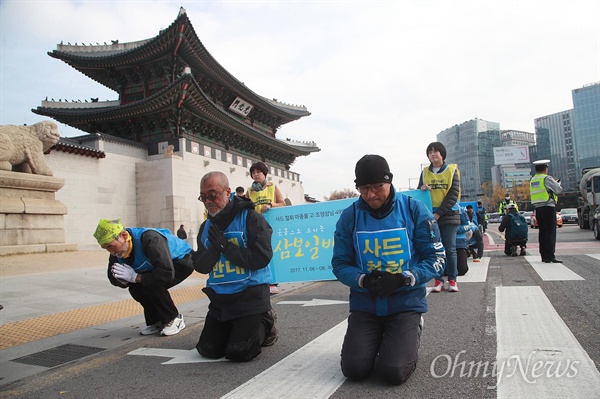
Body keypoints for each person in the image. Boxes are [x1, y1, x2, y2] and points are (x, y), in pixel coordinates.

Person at [332, 155, 445, 385]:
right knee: (353, 369)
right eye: (364, 188)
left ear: (389, 181)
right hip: (366, 305)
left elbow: (436, 258)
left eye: (377, 187)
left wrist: (403, 279)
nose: (371, 194)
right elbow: (340, 263)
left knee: (393, 372)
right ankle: (379, 341)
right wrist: (363, 280)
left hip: (404, 303)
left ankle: (413, 328)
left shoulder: (415, 210)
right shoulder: (350, 216)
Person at [193, 171, 277, 362]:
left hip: (250, 295)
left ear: (228, 192)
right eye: (203, 197)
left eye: (213, 195)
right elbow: (200, 265)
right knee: (208, 350)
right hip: (221, 299)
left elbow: (262, 258)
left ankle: (266, 321)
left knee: (240, 351)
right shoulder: (205, 227)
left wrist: (225, 247)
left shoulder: (251, 219)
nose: (208, 201)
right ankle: (235, 328)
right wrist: (215, 249)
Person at [93, 219, 193, 336]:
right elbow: (112, 277)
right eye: (106, 248)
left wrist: (136, 277)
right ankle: (156, 321)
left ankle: (174, 319)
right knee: (135, 288)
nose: (111, 252)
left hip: (181, 262)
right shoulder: (116, 252)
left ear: (123, 236)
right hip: (156, 269)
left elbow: (165, 273)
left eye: (111, 246)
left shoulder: (150, 239)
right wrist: (123, 281)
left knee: (153, 284)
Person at [419, 142, 461, 292]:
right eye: (429, 152)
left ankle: (452, 280)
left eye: (435, 151)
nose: (432, 154)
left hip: (449, 214)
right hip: (431, 216)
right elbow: (419, 194)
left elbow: (453, 195)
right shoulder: (424, 172)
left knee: (450, 249)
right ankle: (438, 280)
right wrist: (422, 189)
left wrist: (438, 214)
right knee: (436, 249)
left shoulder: (452, 170)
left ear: (442, 154)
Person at [245, 161, 286, 295]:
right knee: (258, 252)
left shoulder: (273, 187)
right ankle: (261, 281)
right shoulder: (250, 191)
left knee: (269, 252)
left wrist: (270, 204)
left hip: (270, 226)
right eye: (253, 173)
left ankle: (272, 282)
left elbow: (283, 203)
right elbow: (244, 207)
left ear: (265, 174)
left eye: (258, 172)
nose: (256, 175)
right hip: (254, 227)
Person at [530, 159, 563, 263]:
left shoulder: (533, 179)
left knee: (542, 232)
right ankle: (550, 256)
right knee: (550, 232)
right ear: (545, 169)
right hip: (548, 207)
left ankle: (544, 256)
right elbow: (558, 189)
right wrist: (557, 183)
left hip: (538, 209)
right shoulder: (547, 178)